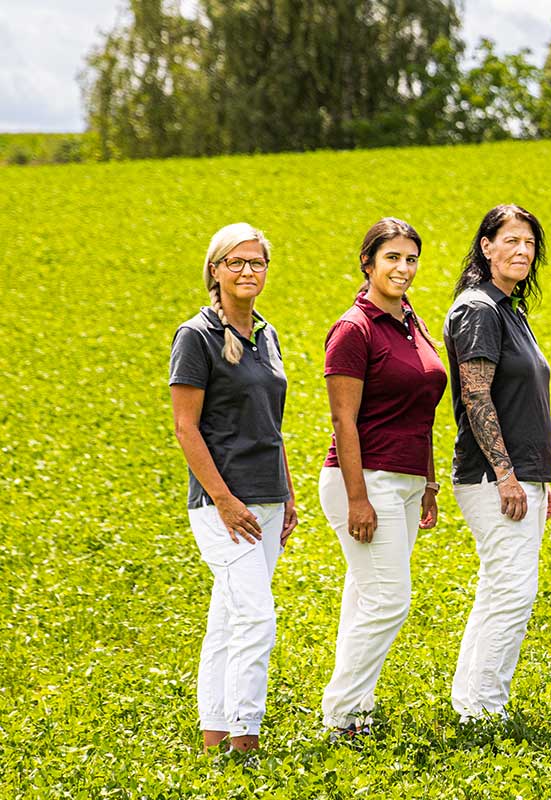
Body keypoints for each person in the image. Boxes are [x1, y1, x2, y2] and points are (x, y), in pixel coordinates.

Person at [318, 218, 449, 737]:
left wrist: (430, 483)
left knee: (365, 596)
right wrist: (357, 499)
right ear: (367, 263)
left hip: (406, 479)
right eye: (392, 257)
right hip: (364, 479)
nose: (403, 268)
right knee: (389, 600)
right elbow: (341, 419)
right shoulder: (355, 328)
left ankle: (353, 710)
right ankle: (343, 712)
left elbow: (424, 410)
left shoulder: (411, 322)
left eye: (411, 258)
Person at [169, 222, 295, 751]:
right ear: (215, 271)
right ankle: (247, 737)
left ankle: (215, 734)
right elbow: (185, 426)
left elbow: (272, 420)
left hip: (267, 497)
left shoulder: (266, 334)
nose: (248, 271)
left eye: (257, 263)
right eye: (236, 262)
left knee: (227, 617)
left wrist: (287, 493)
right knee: (256, 617)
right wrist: (222, 499)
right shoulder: (194, 336)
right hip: (224, 504)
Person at [444, 204, 551, 720]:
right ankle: (484, 709)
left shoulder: (510, 309)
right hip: (493, 475)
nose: (522, 251)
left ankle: (473, 701)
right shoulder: (478, 309)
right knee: (514, 590)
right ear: (486, 246)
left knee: (501, 587)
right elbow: (476, 396)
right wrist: (508, 473)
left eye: (529, 243)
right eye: (510, 240)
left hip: (518, 474)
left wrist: (536, 478)